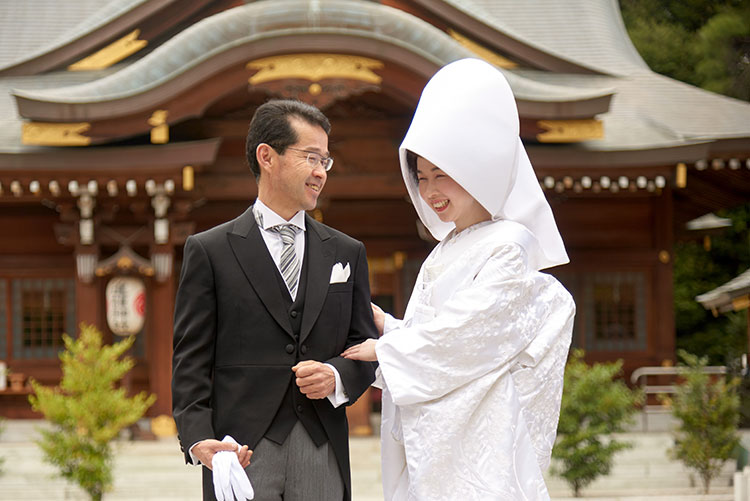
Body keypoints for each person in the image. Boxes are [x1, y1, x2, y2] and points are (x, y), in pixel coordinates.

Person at [342, 58, 576, 500]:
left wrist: (386, 350)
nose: (431, 191)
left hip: (479, 438)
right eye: (422, 176)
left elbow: (469, 336)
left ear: (476, 170)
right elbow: (437, 333)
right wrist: (389, 328)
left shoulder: (509, 247)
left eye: (443, 175)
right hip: (442, 444)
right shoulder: (447, 249)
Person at [172, 99, 378, 501]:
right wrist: (199, 439)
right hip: (241, 451)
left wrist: (336, 376)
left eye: (326, 161)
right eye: (311, 157)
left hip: (323, 451)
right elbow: (189, 360)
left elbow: (364, 347)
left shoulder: (347, 252)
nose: (321, 172)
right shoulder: (209, 250)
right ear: (267, 156)